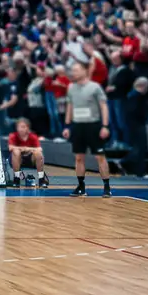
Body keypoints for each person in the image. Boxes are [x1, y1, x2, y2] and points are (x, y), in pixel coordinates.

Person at [63, 61, 112, 198]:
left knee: (100, 157)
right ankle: (81, 186)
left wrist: (105, 126)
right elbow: (70, 106)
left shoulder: (95, 87)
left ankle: (107, 186)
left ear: (85, 71)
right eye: (72, 70)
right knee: (79, 157)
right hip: (78, 126)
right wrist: (67, 126)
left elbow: (103, 106)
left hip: (93, 126)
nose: (74, 73)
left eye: (77, 70)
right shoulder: (71, 87)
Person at [7, 117, 49, 187]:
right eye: (19, 127)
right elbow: (10, 147)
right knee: (16, 151)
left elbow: (39, 149)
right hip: (17, 159)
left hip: (30, 159)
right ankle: (16, 179)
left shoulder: (33, 136)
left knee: (38, 153)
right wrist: (22, 148)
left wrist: (27, 149)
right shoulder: (13, 135)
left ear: (28, 128)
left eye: (23, 127)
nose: (21, 129)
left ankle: (41, 179)